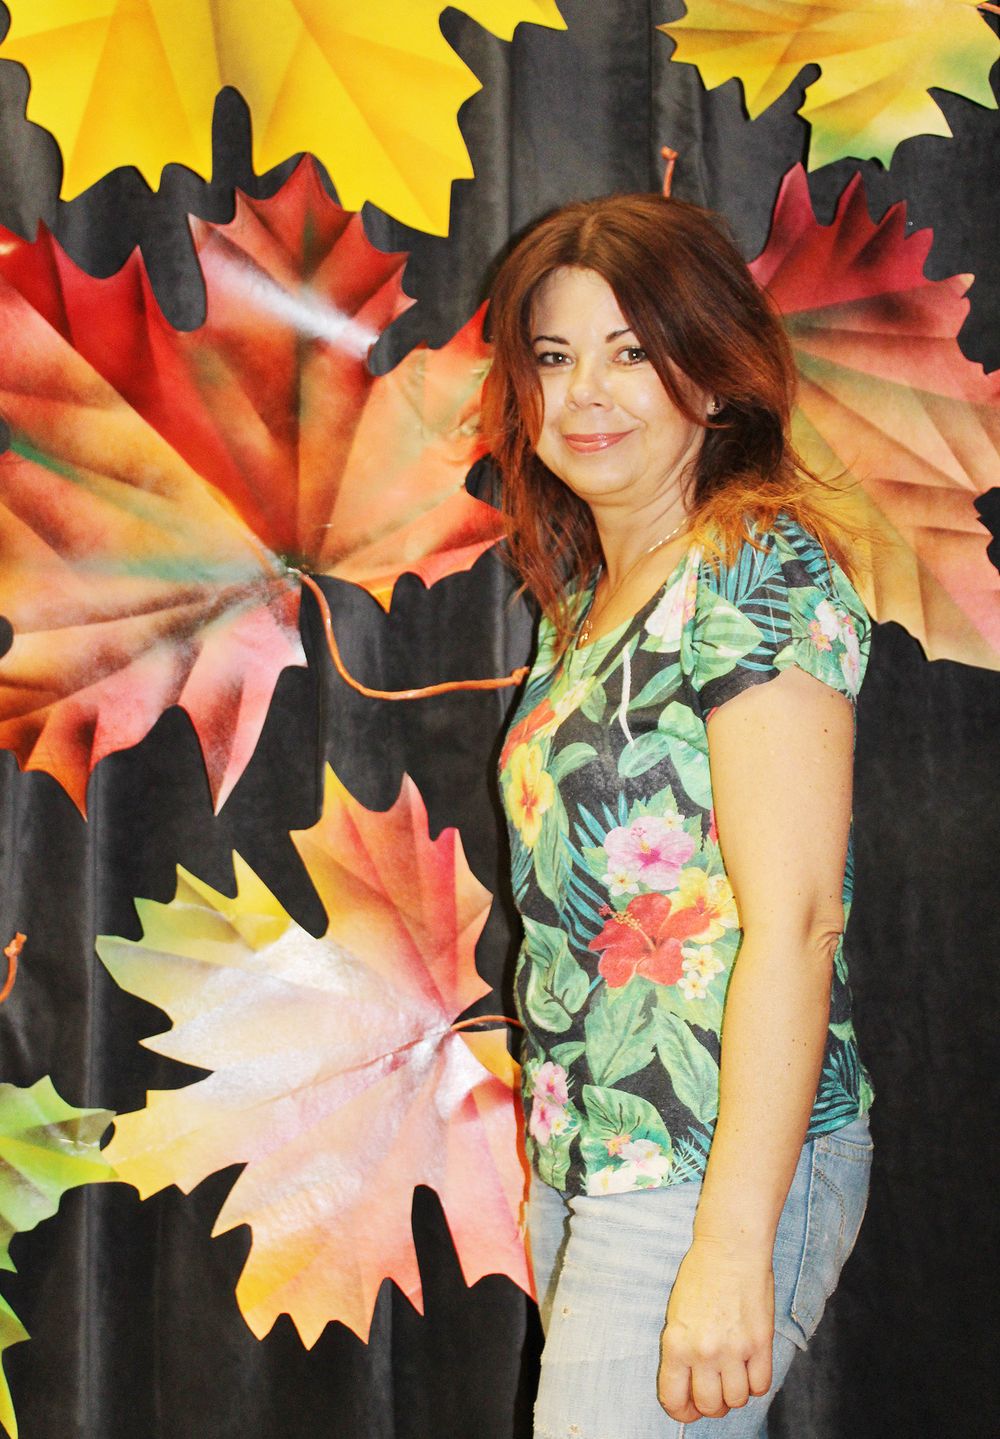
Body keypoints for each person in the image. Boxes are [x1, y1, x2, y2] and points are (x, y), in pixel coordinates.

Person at [484, 193, 874, 1437]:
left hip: (711, 1161)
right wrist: (555, 1172)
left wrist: (729, 1239)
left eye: (631, 352)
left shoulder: (754, 564)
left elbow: (797, 922)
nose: (585, 394)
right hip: (593, 1157)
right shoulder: (581, 608)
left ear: (709, 372)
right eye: (554, 357)